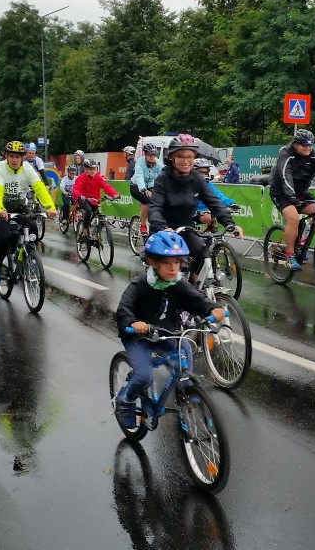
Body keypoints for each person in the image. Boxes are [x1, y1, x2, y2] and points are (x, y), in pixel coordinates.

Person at [113, 231, 224, 427]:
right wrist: (132, 323)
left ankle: (185, 389)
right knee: (144, 374)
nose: (174, 268)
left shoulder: (177, 284)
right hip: (138, 338)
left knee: (185, 349)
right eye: (167, 263)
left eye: (177, 263)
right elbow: (123, 309)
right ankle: (125, 400)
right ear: (153, 262)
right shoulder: (139, 286)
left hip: (165, 333)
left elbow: (196, 299)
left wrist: (211, 308)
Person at [149, 134, 240, 278]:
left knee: (202, 253)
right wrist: (163, 227)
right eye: (181, 157)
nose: (186, 161)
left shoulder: (196, 178)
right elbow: (154, 209)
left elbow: (213, 202)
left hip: (185, 228)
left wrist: (230, 224)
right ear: (172, 158)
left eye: (190, 157)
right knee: (166, 274)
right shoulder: (163, 179)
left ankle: (194, 286)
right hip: (164, 231)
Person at [269, 129, 315, 271]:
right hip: (282, 192)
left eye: (310, 145)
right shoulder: (286, 153)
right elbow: (285, 175)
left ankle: (302, 242)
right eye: (304, 145)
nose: (308, 148)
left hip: (301, 192)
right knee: (294, 218)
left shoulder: (313, 156)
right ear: (295, 145)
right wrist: (291, 196)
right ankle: (290, 255)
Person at [0, 141, 57, 286]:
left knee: (32, 228)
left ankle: (27, 257)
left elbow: (39, 188)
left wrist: (50, 207)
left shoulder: (27, 169)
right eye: (11, 156)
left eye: (17, 157)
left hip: (19, 205)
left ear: (22, 158)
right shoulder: (0, 168)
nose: (14, 160)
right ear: (6, 157)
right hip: (1, 207)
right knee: (5, 237)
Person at [72, 158, 119, 237]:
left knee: (98, 214)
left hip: (94, 200)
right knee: (89, 211)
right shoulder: (82, 177)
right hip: (84, 199)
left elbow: (106, 187)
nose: (93, 171)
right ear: (86, 169)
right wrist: (80, 196)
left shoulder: (98, 178)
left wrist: (114, 194)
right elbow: (76, 189)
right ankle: (85, 228)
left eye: (94, 169)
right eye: (90, 169)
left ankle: (97, 234)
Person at [193, 158, 236, 227]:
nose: (204, 175)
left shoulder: (208, 184)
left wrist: (231, 203)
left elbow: (218, 196)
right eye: (201, 172)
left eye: (206, 172)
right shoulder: (187, 184)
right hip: (187, 215)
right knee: (208, 218)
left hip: (203, 212)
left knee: (211, 219)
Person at [130, 143, 161, 234]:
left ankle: (154, 221)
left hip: (150, 185)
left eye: (154, 155)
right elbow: (139, 175)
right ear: (145, 154)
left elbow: (164, 173)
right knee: (146, 201)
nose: (152, 157)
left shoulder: (157, 162)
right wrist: (143, 189)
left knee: (158, 201)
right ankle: (143, 225)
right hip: (136, 186)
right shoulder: (140, 162)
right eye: (149, 155)